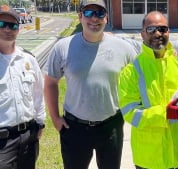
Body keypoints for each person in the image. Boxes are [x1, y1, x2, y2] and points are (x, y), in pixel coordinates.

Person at [43, 0, 137, 169]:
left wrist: (170, 50)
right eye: (88, 13)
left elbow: (142, 68)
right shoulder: (63, 47)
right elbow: (50, 82)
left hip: (111, 125)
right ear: (80, 17)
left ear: (106, 18)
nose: (94, 18)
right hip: (75, 127)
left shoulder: (124, 48)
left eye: (100, 13)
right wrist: (55, 118)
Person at [118, 11, 178, 169]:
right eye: (151, 29)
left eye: (163, 29)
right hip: (149, 159)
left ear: (169, 32)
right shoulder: (131, 72)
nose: (158, 33)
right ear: (142, 34)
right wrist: (167, 113)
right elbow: (130, 113)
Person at [0, 5, 46, 169]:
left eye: (13, 25)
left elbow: (38, 94)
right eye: (1, 24)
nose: (8, 29)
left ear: (19, 29)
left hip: (28, 137)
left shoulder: (28, 59)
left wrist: (40, 123)